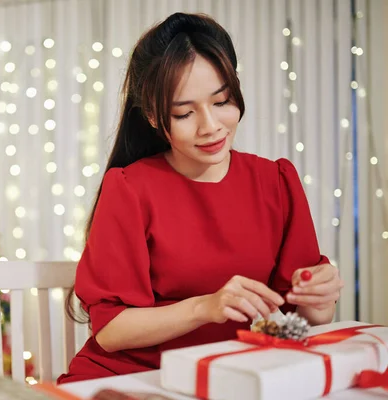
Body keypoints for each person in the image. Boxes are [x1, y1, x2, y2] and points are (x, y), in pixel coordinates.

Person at [56, 12, 344, 384]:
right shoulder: (129, 188)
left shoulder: (276, 180)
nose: (210, 127)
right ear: (155, 118)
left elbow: (307, 316)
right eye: (184, 112)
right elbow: (111, 332)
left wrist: (319, 296)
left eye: (222, 101)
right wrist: (206, 307)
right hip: (135, 380)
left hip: (236, 378)